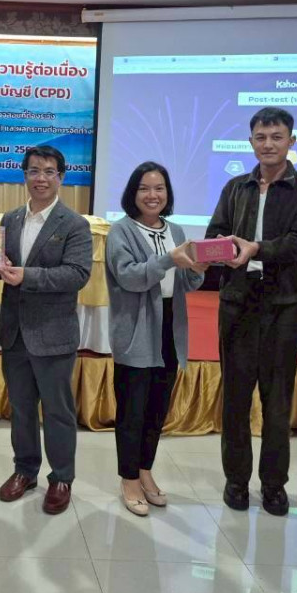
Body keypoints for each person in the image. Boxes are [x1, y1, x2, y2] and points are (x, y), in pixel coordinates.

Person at [205, 107, 297, 516]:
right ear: (251, 142)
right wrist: (220, 250)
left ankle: (274, 485)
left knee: (277, 400)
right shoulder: (235, 186)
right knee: (235, 397)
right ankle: (236, 480)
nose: (268, 144)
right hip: (238, 300)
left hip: (285, 303)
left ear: (292, 141)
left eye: (277, 137)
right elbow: (215, 232)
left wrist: (255, 249)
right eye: (261, 137)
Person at [0, 146, 93, 515]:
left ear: (61, 177)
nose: (41, 178)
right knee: (20, 408)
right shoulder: (11, 219)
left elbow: (77, 274)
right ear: (25, 175)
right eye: (34, 170)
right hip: (14, 332)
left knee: (57, 411)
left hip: (53, 334)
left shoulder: (74, 224)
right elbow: (2, 266)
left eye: (49, 171)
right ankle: (25, 470)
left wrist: (27, 276)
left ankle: (62, 476)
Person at [105, 162, 207, 516]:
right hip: (136, 329)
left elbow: (185, 283)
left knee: (156, 410)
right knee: (132, 411)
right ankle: (129, 478)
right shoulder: (121, 231)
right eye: (144, 188)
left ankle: (145, 470)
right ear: (133, 193)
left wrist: (198, 269)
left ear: (168, 193)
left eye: (159, 188)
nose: (153, 195)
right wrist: (168, 260)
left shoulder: (176, 230)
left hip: (170, 328)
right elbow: (130, 278)